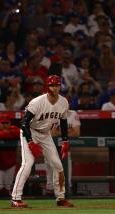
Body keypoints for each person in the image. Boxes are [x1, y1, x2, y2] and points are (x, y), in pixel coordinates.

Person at [10, 75, 73, 208]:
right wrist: (31, 142)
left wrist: (65, 140)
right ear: (47, 86)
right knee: (28, 163)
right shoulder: (37, 102)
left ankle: (60, 198)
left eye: (57, 85)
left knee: (58, 165)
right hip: (30, 132)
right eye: (52, 85)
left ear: (60, 86)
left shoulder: (64, 102)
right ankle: (16, 198)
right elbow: (23, 124)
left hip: (46, 134)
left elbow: (63, 121)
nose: (55, 88)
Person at [46, 109, 81, 195]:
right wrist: (68, 131)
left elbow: (76, 133)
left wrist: (59, 132)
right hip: (51, 145)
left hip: (64, 147)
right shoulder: (52, 113)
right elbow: (52, 133)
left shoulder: (73, 114)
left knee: (67, 164)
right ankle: (50, 190)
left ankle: (67, 189)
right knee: (50, 165)